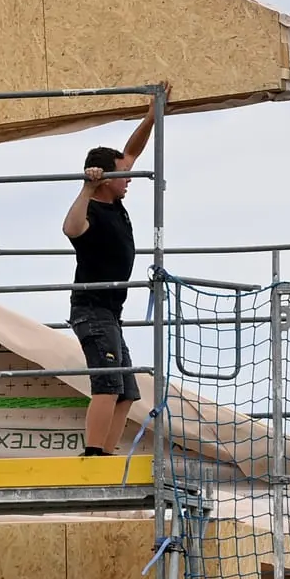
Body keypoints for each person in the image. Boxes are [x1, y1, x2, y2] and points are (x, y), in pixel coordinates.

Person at [62, 93, 162, 455]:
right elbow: (70, 229)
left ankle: (105, 451)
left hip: (110, 314)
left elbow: (131, 153)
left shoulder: (115, 200)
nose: (129, 177)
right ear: (105, 180)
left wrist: (150, 119)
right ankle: (93, 453)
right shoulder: (91, 208)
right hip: (92, 310)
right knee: (107, 385)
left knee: (126, 391)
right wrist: (86, 186)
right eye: (121, 175)